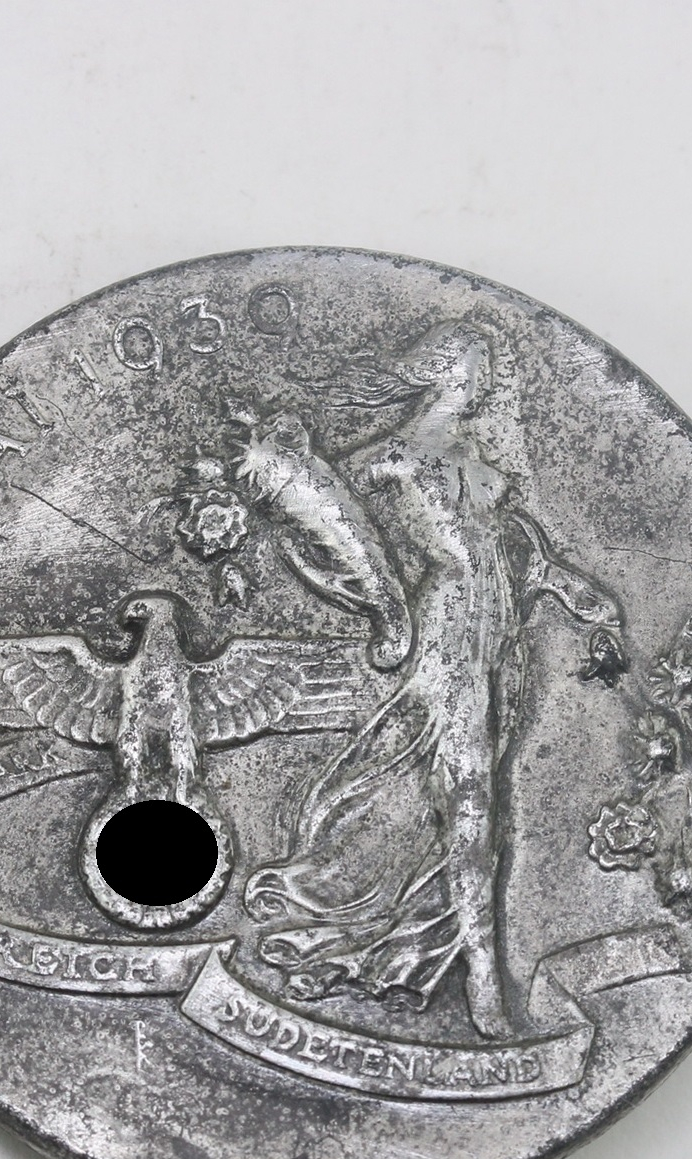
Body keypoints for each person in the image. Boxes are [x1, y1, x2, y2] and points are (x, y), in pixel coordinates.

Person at [245, 321, 619, 1040]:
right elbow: (323, 518)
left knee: (473, 801)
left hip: (499, 637)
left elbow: (510, 549)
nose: (485, 381)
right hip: (448, 631)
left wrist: (572, 593)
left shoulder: (476, 464)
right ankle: (484, 986)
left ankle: (444, 952)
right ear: (440, 370)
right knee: (472, 802)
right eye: (475, 365)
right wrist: (380, 604)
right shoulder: (389, 458)